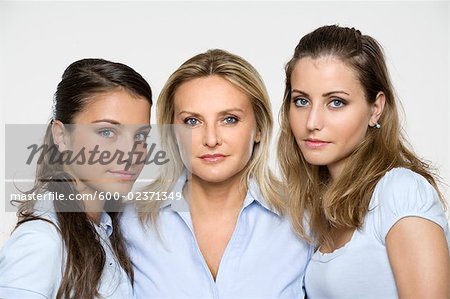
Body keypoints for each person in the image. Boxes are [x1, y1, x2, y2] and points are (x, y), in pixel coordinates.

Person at [121, 49, 311, 298]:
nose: (211, 139)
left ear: (259, 129)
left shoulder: (304, 223)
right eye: (192, 121)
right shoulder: (126, 224)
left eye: (230, 119)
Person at [277, 25, 450, 298]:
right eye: (301, 101)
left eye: (336, 102)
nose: (312, 122)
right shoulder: (318, 209)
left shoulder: (400, 192)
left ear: (376, 108)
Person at [0, 58, 152, 298]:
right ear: (61, 135)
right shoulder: (42, 243)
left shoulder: (109, 232)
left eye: (141, 137)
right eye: (107, 131)